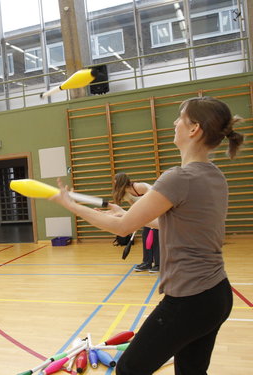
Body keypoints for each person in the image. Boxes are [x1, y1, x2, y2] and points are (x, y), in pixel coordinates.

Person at [51, 96, 243, 374]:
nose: (175, 122)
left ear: (194, 129)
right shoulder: (214, 176)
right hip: (217, 296)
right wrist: (124, 211)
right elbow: (182, 224)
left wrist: (72, 205)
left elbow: (122, 229)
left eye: (181, 117)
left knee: (129, 369)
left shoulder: (178, 178)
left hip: (189, 299)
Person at [112, 172, 160, 272]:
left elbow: (154, 199)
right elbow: (134, 206)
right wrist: (136, 219)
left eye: (115, 181)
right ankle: (146, 263)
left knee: (155, 237)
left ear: (121, 181)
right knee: (146, 237)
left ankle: (158, 264)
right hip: (146, 213)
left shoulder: (139, 187)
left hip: (157, 208)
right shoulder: (125, 194)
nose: (114, 183)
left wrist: (150, 215)